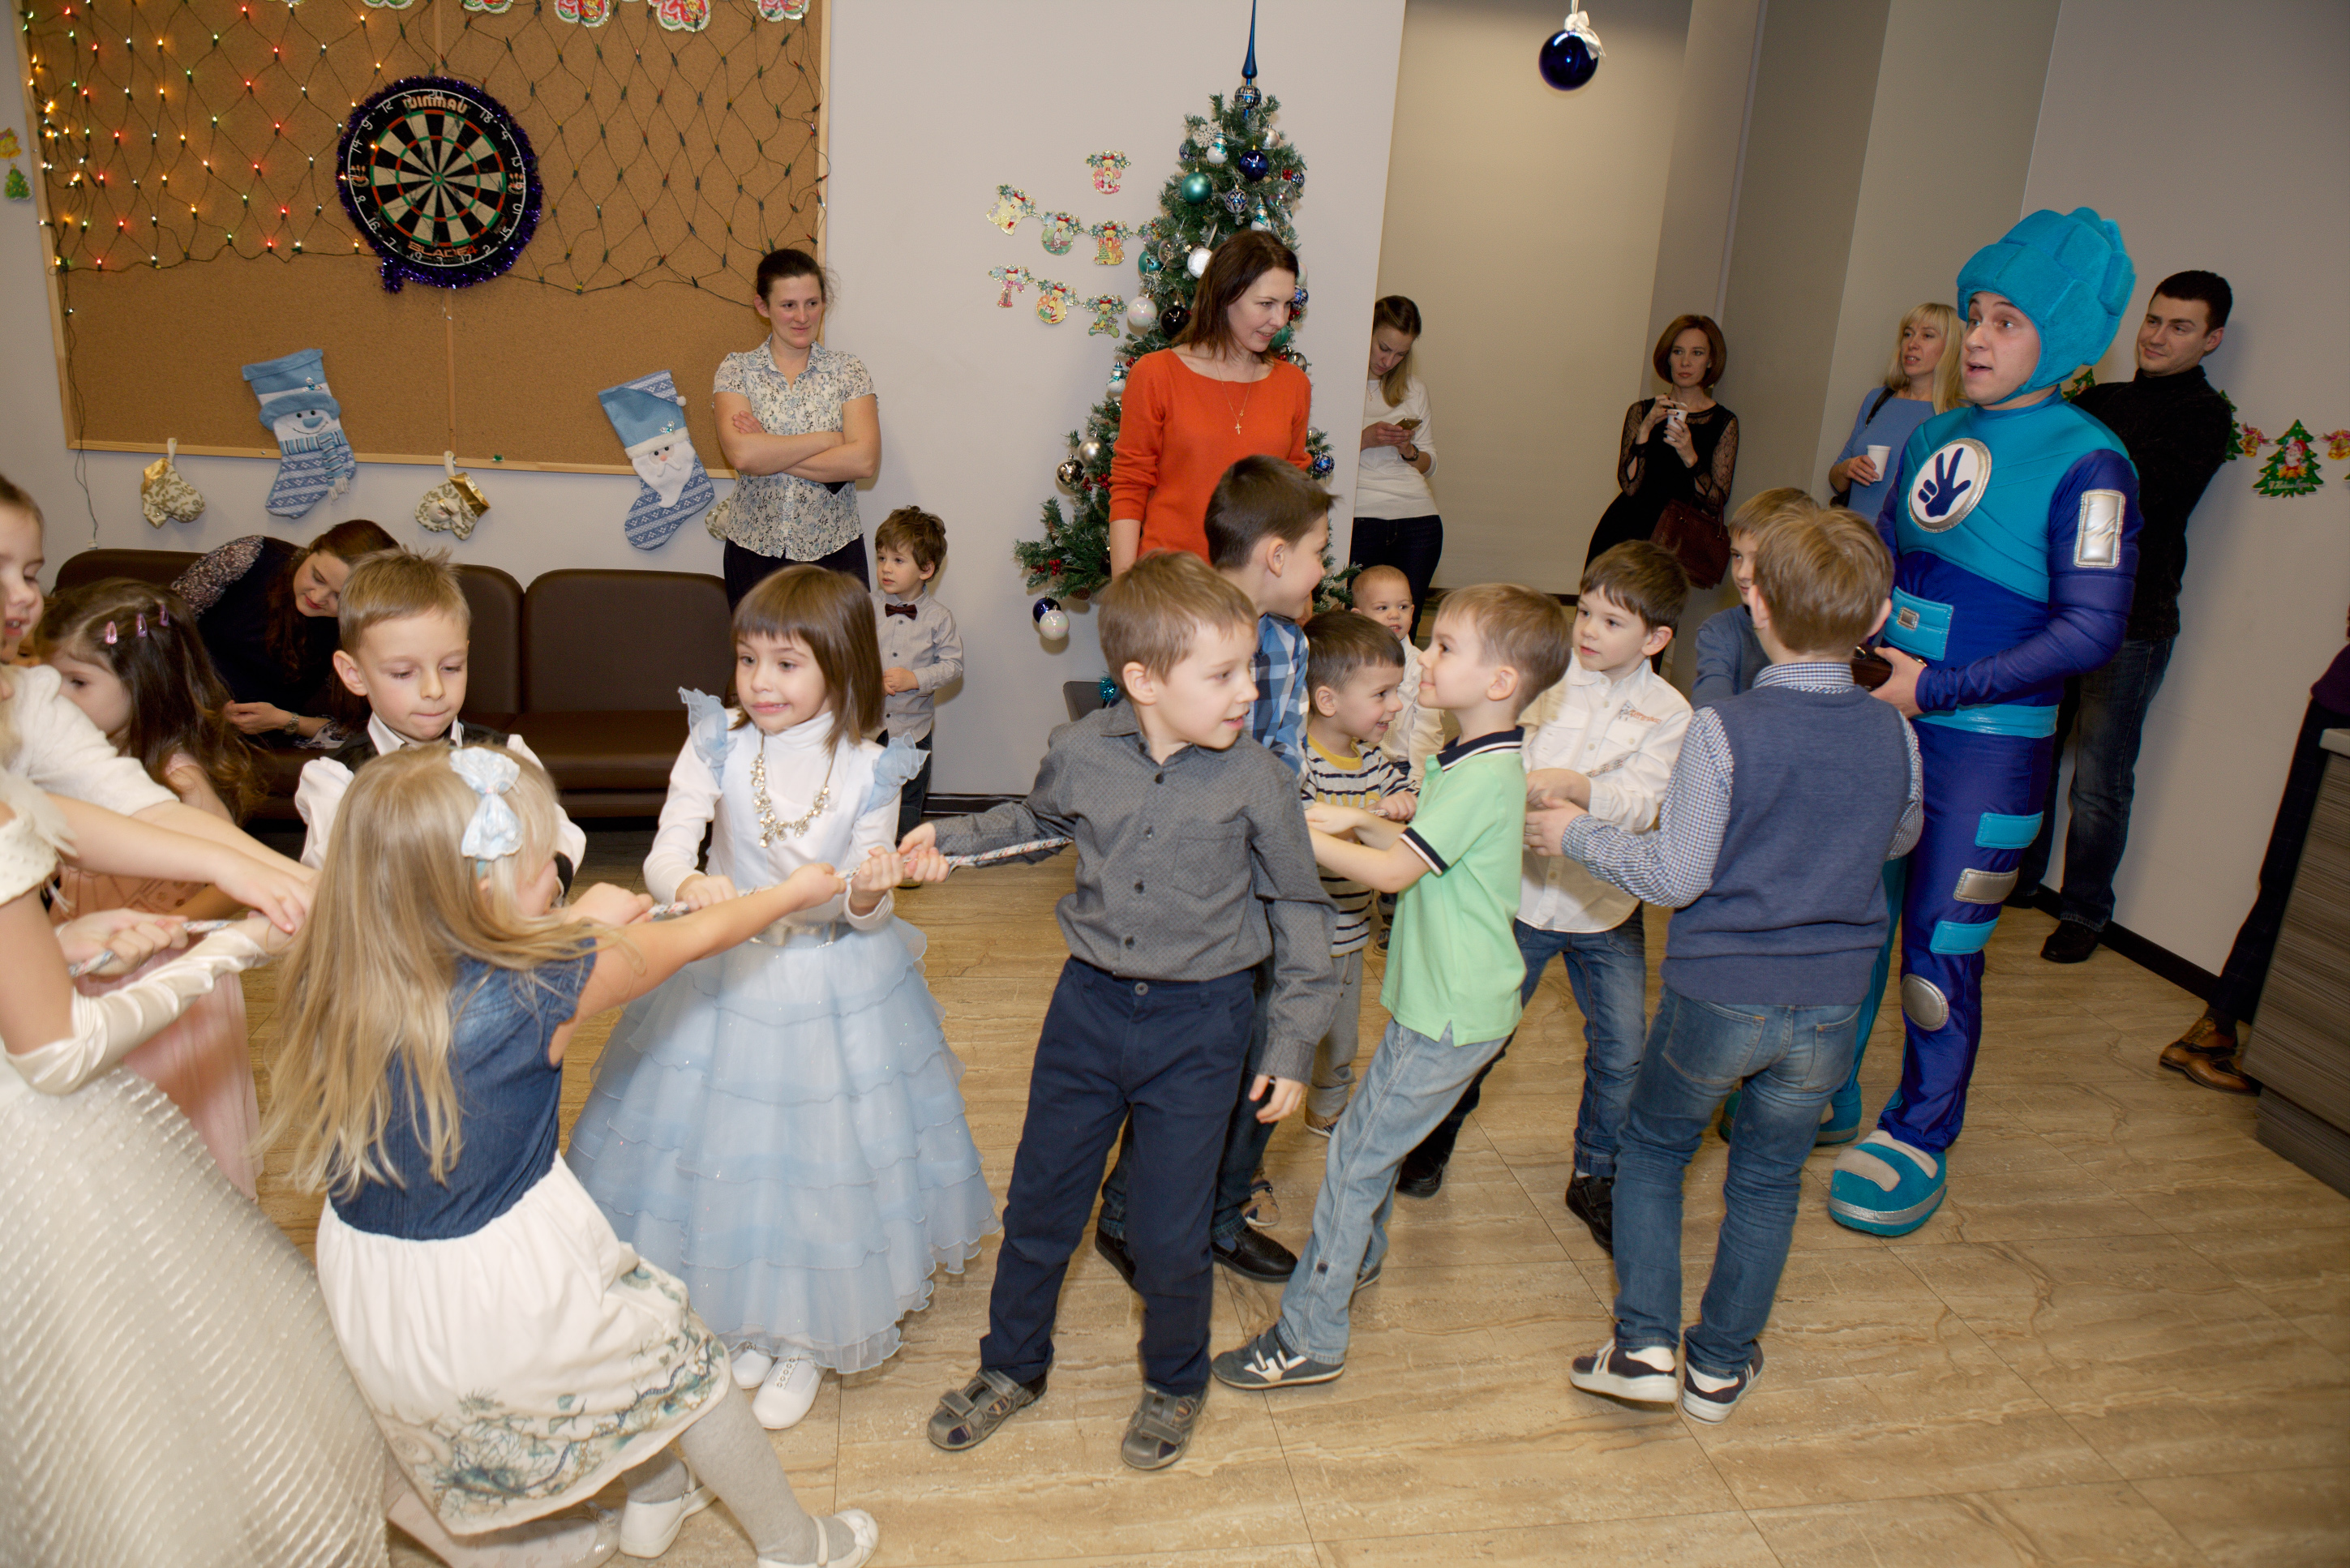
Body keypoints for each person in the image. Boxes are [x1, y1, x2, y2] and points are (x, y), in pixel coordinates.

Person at [270, 745, 879, 1568]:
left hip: (374, 1284)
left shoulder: (343, 964)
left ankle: (642, 1498)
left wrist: (571, 925)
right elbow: (699, 936)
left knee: (503, 1414)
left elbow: (475, 951)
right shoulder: (543, 986)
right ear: (481, 891)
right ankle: (794, 1544)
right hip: (503, 1283)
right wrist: (791, 893)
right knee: (690, 1372)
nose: (554, 877)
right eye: (538, 867)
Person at [902, 551, 1336, 1472]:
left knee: (1171, 1231)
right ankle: (1012, 1365)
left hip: (1204, 1024)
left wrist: (1293, 1043)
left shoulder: (1260, 779)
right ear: (1144, 680)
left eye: (1249, 670)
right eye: (1223, 674)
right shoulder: (1082, 751)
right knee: (1041, 1204)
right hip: (1088, 1011)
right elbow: (1038, 823)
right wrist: (948, 838)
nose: (1248, 692)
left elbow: (1301, 910)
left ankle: (1175, 1380)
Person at [566, 565, 994, 1430]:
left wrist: (866, 892)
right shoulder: (716, 741)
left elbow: (864, 911)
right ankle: (741, 1317)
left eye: (788, 663)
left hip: (829, 983)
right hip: (723, 970)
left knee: (817, 1159)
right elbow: (666, 851)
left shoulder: (872, 767)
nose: (761, 682)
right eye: (748, 659)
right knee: (726, 1155)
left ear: (841, 664)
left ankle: (802, 1334)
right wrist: (689, 882)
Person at [1543, 508, 1920, 1424]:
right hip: (1830, 1005)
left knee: (1653, 1151)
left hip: (1720, 995)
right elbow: (1900, 834)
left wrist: (1577, 833)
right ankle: (1717, 1368)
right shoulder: (1897, 732)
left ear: (1757, 604)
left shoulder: (1723, 728)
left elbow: (1676, 875)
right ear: (1878, 619)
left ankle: (1643, 1348)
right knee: (1768, 1176)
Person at [1832, 208, 2142, 1238]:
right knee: (1849, 920)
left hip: (1988, 751)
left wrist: (1939, 688)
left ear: (2062, 339)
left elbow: (2091, 629)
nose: (1977, 338)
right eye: (1976, 314)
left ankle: (1920, 1130)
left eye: (2008, 321)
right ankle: (1823, 1085)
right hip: (1887, 725)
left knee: (1939, 949)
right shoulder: (1932, 435)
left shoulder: (2092, 460)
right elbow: (1880, 563)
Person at [0, 769, 392, 1567]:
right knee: (121, 1407)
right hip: (30, 1157)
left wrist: (56, 947)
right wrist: (231, 947)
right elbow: (58, 1054)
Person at [1211, 583, 1572, 1393]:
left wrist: (1295, 830)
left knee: (1355, 1160)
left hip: (1452, 1011)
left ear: (1502, 681)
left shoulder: (1484, 774)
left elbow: (1395, 871)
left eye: (1445, 647)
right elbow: (1414, 838)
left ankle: (1310, 1335)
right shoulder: (1468, 757)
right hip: (1437, 1002)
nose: (1423, 658)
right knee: (1368, 1144)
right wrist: (1343, 819)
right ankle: (1356, 1257)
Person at [1395, 543, 1692, 1215]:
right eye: (1584, 612)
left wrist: (1578, 787)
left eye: (1612, 622)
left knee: (1621, 1052)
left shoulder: (1672, 712)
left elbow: (1645, 804)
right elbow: (1492, 752)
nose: (1588, 630)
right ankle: (1432, 1140)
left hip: (1604, 907)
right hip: (1522, 898)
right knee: (1484, 1034)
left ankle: (1596, 1172)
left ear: (1655, 639)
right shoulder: (1546, 677)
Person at [1091, 455, 1330, 1287]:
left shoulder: (1289, 645)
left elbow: (1286, 763)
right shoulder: (1177, 632)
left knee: (1259, 1054)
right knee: (1180, 1066)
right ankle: (1126, 1215)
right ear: (1276, 556)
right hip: (1190, 905)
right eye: (1319, 553)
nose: (1323, 570)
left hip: (1263, 894)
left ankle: (1222, 1212)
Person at [2018, 271, 2236, 964]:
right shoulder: (2102, 400)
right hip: (2057, 608)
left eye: (2180, 326)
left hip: (2133, 625)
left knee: (2100, 781)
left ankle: (2085, 911)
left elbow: (2140, 499)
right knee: (2035, 750)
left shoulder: (2205, 417)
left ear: (2211, 340)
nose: (2157, 336)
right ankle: (2021, 878)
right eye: (2153, 319)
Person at [36, 579, 267, 1196]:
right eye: (49, 679)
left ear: (143, 683)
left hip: (158, 974)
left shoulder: (175, 778)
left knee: (162, 1130)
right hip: (86, 952)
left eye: (78, 682)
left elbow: (232, 884)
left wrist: (169, 929)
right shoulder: (63, 766)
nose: (55, 698)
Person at [0, 476, 315, 894]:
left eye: (29, 575)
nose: (23, 595)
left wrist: (305, 885)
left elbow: (141, 808)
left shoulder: (36, 705)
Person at [295, 551, 585, 889]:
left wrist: (545, 884)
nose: (434, 690)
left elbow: (559, 834)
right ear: (354, 674)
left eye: (451, 667)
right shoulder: (336, 780)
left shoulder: (507, 753)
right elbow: (339, 878)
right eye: (403, 673)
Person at [2160, 613, 2350, 1094]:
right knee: (2298, 885)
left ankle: (2221, 1028)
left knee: (2293, 884)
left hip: (2336, 706)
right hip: (2340, 711)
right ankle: (2233, 1037)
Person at [1106, 232, 1312, 576]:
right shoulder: (1157, 374)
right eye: (1266, 304)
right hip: (1171, 587)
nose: (1280, 320)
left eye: (1287, 304)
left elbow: (1295, 501)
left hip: (1258, 589)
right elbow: (1130, 486)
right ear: (1224, 296)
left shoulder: (1293, 384)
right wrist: (1125, 591)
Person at [1295, 610, 1412, 1133]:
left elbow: (1408, 804)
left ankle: (1327, 1107)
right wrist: (1365, 824)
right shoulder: (1299, 762)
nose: (1396, 705)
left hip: (1350, 933)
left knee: (1340, 1038)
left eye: (1396, 691)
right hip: (1296, 938)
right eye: (1382, 693)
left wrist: (1404, 803)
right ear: (1328, 700)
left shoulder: (1375, 762)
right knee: (1284, 1034)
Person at [713, 247, 883, 604]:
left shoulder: (848, 371)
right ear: (763, 307)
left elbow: (864, 461)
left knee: (839, 645)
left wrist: (768, 447)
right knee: (760, 645)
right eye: (788, 305)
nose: (802, 317)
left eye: (812, 303)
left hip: (834, 553)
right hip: (754, 554)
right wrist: (830, 440)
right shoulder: (736, 370)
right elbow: (744, 457)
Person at [172, 517, 397, 742]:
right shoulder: (250, 557)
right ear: (311, 549)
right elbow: (163, 624)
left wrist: (284, 720)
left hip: (256, 739)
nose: (317, 597)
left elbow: (358, 733)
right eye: (317, 578)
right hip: (176, 700)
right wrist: (189, 698)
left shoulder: (358, 631)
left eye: (339, 597)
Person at [1587, 315, 1739, 567]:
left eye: (1697, 353)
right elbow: (1629, 487)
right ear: (1667, 358)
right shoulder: (1641, 411)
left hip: (1672, 543)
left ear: (1711, 360)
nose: (1685, 362)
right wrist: (1646, 428)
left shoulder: (1723, 422)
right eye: (1678, 352)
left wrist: (1690, 457)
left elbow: (1716, 504)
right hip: (1623, 533)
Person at [871, 507, 963, 842]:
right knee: (866, 800)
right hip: (868, 730)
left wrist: (915, 679)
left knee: (906, 806)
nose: (886, 568)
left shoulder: (939, 618)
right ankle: (867, 857)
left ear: (926, 569)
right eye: (882, 558)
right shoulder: (866, 607)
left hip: (912, 732)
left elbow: (953, 666)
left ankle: (905, 857)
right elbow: (850, 653)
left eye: (898, 560)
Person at [1826, 303, 1965, 525]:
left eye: (1927, 336)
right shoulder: (1878, 399)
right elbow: (1837, 481)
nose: (1912, 344)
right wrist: (1847, 469)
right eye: (1908, 334)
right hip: (1851, 535)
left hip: (1902, 542)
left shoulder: (1959, 415)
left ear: (1951, 348)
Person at [1352, 295, 1443, 613]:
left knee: (1406, 624)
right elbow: (1317, 453)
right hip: (1361, 516)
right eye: (1384, 348)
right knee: (1360, 624)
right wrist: (1364, 439)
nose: (1389, 361)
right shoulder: (1341, 385)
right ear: (1367, 332)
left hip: (1418, 520)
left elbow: (1429, 465)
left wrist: (1408, 449)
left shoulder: (1414, 389)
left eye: (1401, 354)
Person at [1691, 488, 1816, 709]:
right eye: (1737, 556)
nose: (1742, 573)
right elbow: (1708, 710)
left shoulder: (1824, 634)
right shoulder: (1721, 631)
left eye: (1759, 559)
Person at [1353, 563, 1446, 797]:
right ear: (1359, 618)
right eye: (1382, 607)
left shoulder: (1421, 667)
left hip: (1403, 768)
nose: (1395, 614)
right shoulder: (1351, 663)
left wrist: (1419, 778)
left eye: (1403, 607)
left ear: (1413, 612)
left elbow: (1428, 728)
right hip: (1358, 761)